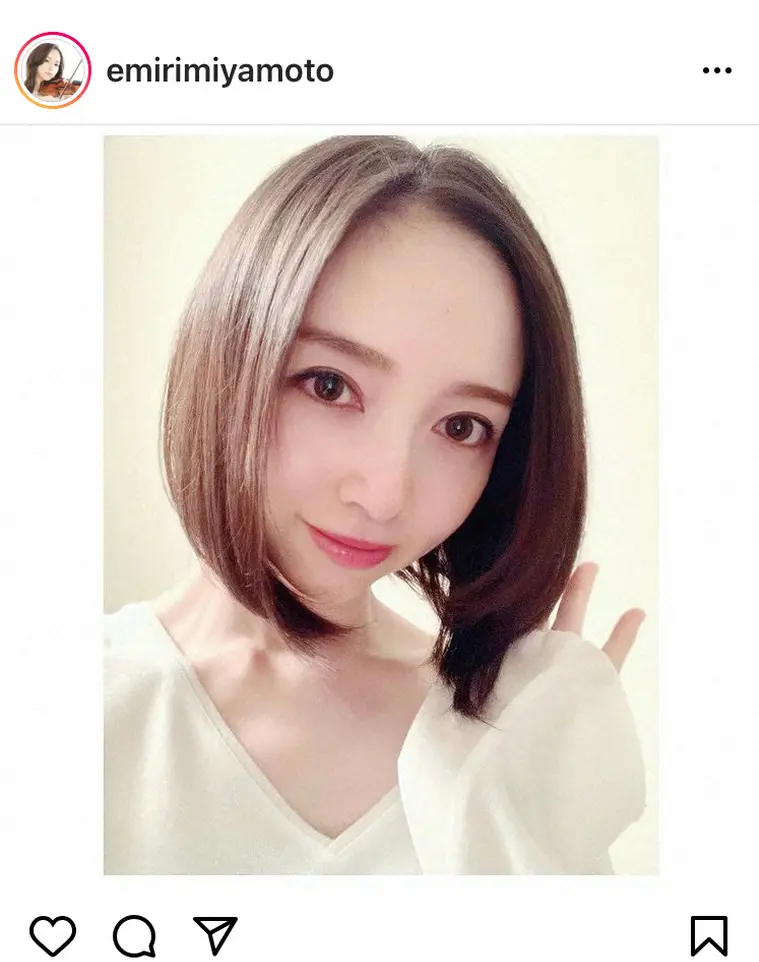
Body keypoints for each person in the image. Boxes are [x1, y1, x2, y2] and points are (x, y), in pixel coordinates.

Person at [104, 135, 647, 875]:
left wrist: (526, 838)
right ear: (232, 354)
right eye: (330, 385)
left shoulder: (497, 735)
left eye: (462, 427)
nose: (385, 493)